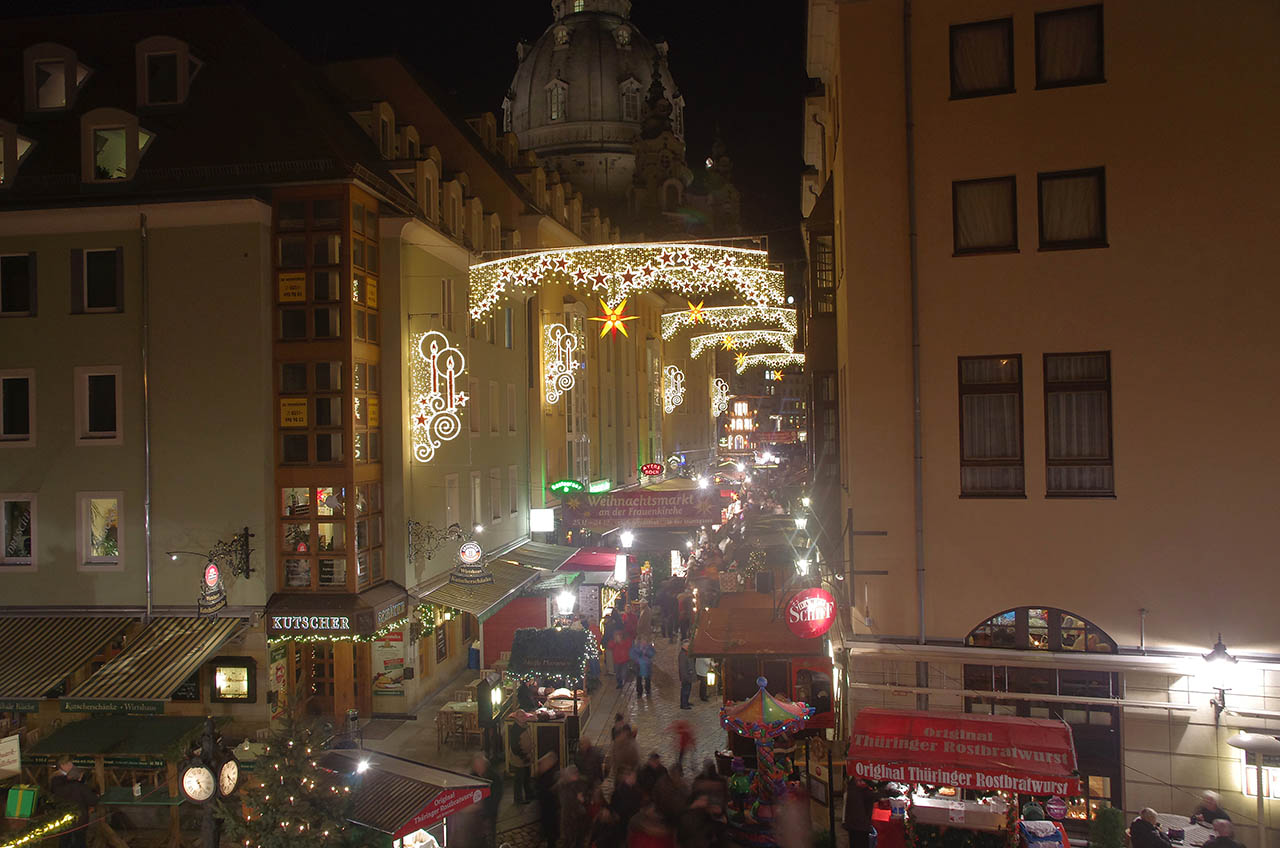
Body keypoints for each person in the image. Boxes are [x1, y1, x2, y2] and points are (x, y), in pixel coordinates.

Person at [50, 756, 98, 848]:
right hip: (79, 820)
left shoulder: (57, 783)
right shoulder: (80, 787)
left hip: (63, 818)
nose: (72, 765)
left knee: (64, 840)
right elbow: (92, 800)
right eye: (69, 763)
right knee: (79, 841)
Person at [468, 753, 502, 848]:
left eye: (479, 766)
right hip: (476, 818)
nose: (478, 769)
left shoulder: (494, 778)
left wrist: (482, 807)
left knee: (489, 839)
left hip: (489, 815)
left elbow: (495, 798)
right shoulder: (473, 776)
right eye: (476, 766)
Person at [843, 777, 879, 848]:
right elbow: (869, 795)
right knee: (859, 842)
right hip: (859, 823)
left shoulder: (856, 781)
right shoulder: (858, 783)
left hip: (856, 822)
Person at [508, 713, 535, 805]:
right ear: (516, 719)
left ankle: (529, 795)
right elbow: (515, 748)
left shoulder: (525, 726)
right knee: (519, 779)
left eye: (524, 716)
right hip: (519, 759)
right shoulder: (515, 730)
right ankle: (518, 799)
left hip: (526, 757)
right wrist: (524, 756)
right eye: (521, 716)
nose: (524, 718)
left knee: (527, 778)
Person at [678, 641, 695, 709]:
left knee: (687, 690)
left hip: (688, 676)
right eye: (688, 646)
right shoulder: (682, 655)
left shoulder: (686, 653)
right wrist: (686, 677)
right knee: (685, 690)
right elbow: (682, 668)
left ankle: (686, 702)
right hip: (686, 676)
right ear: (684, 646)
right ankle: (684, 705)